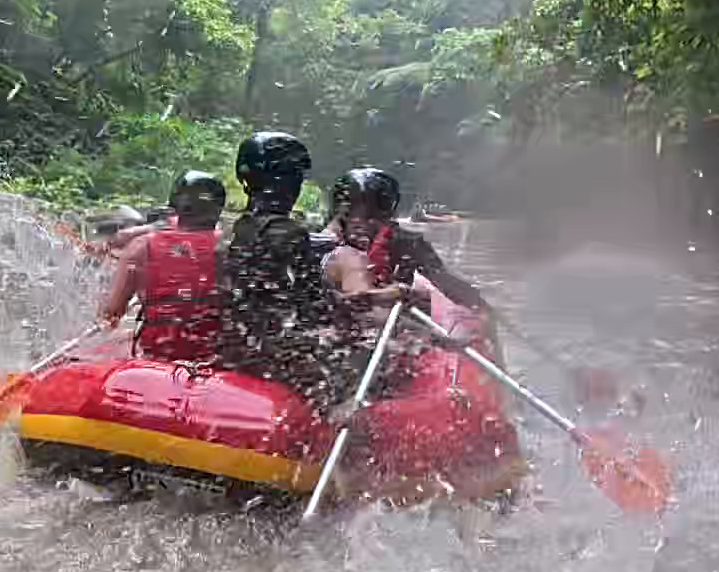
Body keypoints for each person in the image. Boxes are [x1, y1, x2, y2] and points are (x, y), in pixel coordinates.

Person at [215, 131, 337, 401]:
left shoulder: (231, 230)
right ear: (289, 183)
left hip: (230, 345)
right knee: (351, 370)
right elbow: (314, 306)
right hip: (271, 352)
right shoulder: (290, 233)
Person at [322, 168, 485, 336]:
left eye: (370, 215)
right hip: (362, 330)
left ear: (386, 216)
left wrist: (480, 304)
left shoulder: (404, 242)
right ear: (339, 213)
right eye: (351, 213)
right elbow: (363, 305)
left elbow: (445, 281)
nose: (359, 222)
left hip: (374, 326)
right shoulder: (337, 252)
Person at [98, 171, 226, 360]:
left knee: (120, 338)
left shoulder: (139, 248)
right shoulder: (230, 247)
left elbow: (111, 315)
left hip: (158, 357)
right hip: (212, 360)